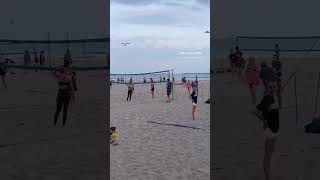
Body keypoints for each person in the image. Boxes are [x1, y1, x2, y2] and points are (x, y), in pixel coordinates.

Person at [253, 80, 280, 180]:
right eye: (270, 87)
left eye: (274, 87)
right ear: (267, 88)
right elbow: (255, 111)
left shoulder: (274, 98)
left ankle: (268, 176)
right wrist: (264, 120)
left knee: (270, 155)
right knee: (267, 156)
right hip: (269, 130)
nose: (272, 89)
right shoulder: (267, 98)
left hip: (275, 129)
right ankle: (267, 177)